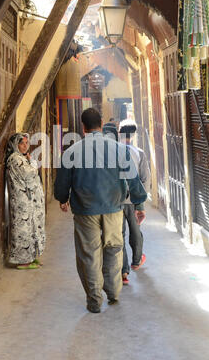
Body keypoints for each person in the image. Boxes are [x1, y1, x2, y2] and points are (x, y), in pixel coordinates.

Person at [54, 108, 147, 313]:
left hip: (85, 211)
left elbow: (62, 183)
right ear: (101, 123)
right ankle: (113, 292)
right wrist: (139, 204)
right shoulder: (119, 150)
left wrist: (63, 199)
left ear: (83, 126)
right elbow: (133, 179)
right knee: (113, 249)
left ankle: (94, 300)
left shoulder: (71, 151)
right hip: (114, 208)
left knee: (89, 254)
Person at [5, 133, 45, 269]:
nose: (25, 146)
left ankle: (30, 257)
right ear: (15, 145)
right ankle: (22, 260)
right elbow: (30, 174)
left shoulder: (21, 158)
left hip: (28, 201)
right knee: (23, 230)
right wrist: (32, 163)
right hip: (22, 201)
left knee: (31, 229)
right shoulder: (15, 159)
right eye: (22, 143)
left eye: (27, 143)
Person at [119, 120, 151, 285]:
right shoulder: (139, 153)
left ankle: (124, 273)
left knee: (119, 235)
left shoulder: (112, 153)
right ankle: (137, 261)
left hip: (116, 202)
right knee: (135, 230)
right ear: (132, 136)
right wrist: (141, 204)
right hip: (133, 200)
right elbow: (145, 180)